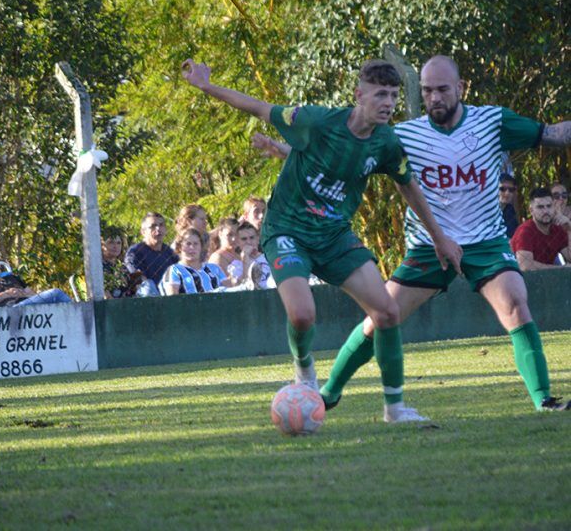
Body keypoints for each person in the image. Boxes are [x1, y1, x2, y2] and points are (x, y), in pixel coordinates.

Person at [182, 57, 462, 423]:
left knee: (387, 312)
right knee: (302, 315)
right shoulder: (316, 121)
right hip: (287, 231)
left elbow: (407, 185)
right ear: (358, 95)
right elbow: (258, 105)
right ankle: (304, 371)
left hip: (333, 236)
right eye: (380, 94)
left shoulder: (386, 141)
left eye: (393, 96)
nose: (389, 103)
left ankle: (395, 409)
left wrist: (439, 238)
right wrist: (206, 86)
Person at [319, 55, 571, 412]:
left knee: (515, 300)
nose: (434, 97)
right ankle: (327, 393)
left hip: (485, 242)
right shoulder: (403, 136)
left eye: (441, 89)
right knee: (379, 318)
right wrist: (290, 151)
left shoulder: (492, 121)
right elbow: (347, 153)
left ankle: (543, 400)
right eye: (427, 91)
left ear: (460, 88)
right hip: (429, 246)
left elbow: (550, 134)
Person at [0, 242, 71, 308]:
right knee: (55, 293)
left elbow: (34, 296)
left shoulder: (11, 278)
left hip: (29, 312)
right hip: (6, 313)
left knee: (54, 299)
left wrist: (22, 293)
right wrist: (5, 295)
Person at [511, 187, 571, 269]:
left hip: (544, 279)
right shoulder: (525, 231)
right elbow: (525, 266)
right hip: (516, 279)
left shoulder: (557, 229)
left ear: (554, 207)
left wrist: (569, 230)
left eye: (549, 206)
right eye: (540, 207)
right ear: (531, 210)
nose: (546, 211)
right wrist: (561, 269)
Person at [158, 227, 228, 295]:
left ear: (201, 246)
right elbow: (172, 300)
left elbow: (229, 291)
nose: (192, 247)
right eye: (188, 244)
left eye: (196, 244)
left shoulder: (214, 268)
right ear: (180, 247)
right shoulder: (174, 270)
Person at [124, 212, 179, 296]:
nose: (158, 229)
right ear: (143, 232)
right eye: (153, 226)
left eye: (161, 225)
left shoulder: (170, 252)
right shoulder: (135, 252)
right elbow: (141, 282)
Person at [227, 221, 275, 290]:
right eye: (244, 239)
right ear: (237, 242)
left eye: (252, 238)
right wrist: (245, 258)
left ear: (258, 239)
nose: (249, 242)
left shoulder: (270, 258)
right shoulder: (235, 266)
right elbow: (243, 288)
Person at [498, 173, 519, 238]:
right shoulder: (485, 211)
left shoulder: (510, 210)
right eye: (502, 189)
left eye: (511, 190)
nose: (507, 193)